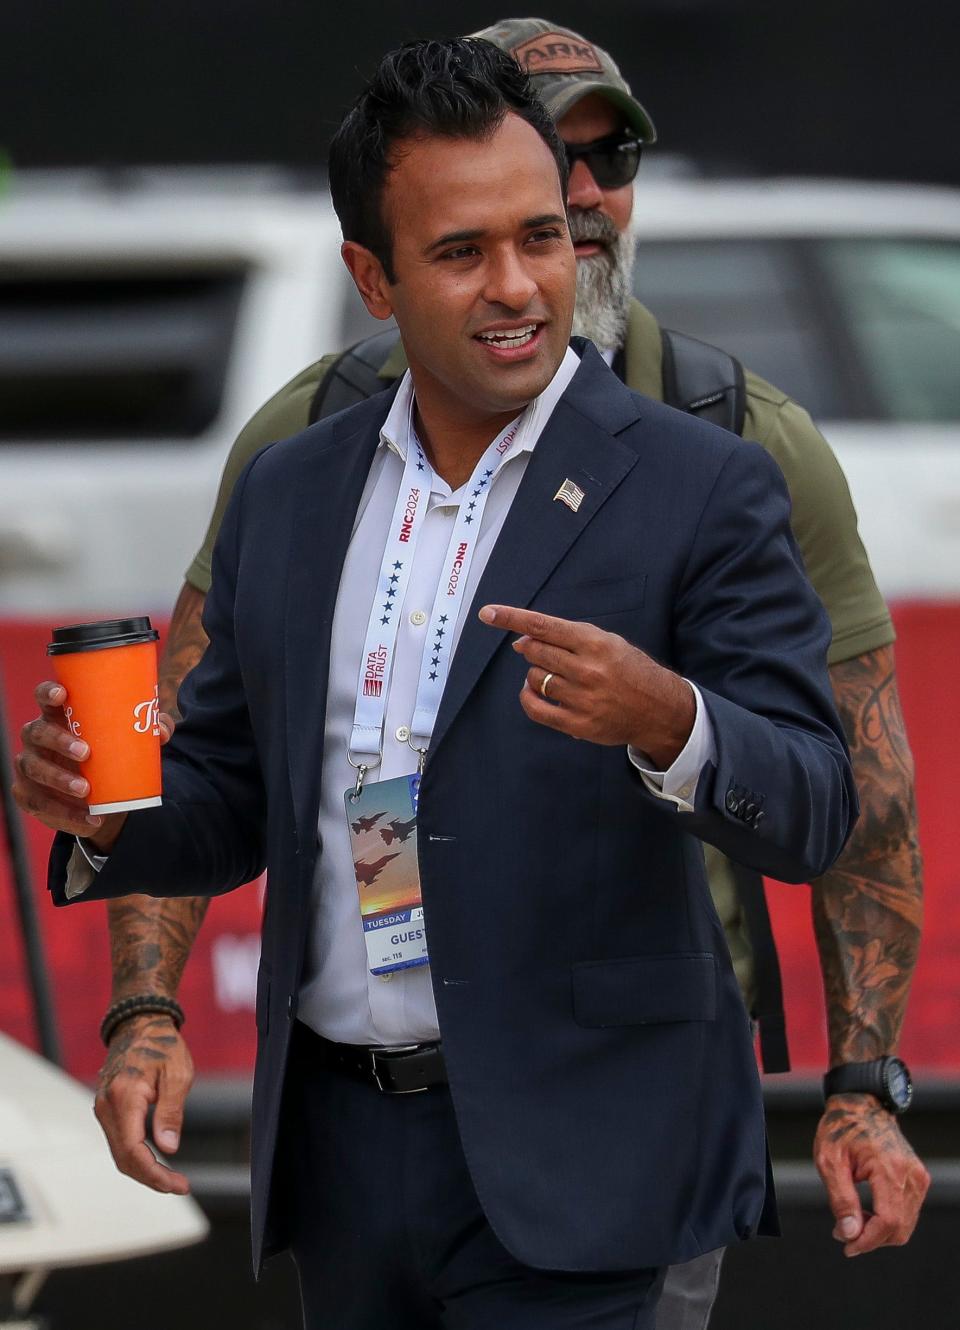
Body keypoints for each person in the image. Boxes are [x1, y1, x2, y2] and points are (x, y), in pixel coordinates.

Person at [90, 16, 928, 1330]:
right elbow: (216, 765)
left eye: (595, 172)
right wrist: (126, 917)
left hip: (609, 1130)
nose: (574, 217)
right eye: (471, 238)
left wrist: (864, 1079)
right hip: (356, 1132)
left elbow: (852, 799)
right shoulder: (302, 461)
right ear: (379, 270)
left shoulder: (729, 453)